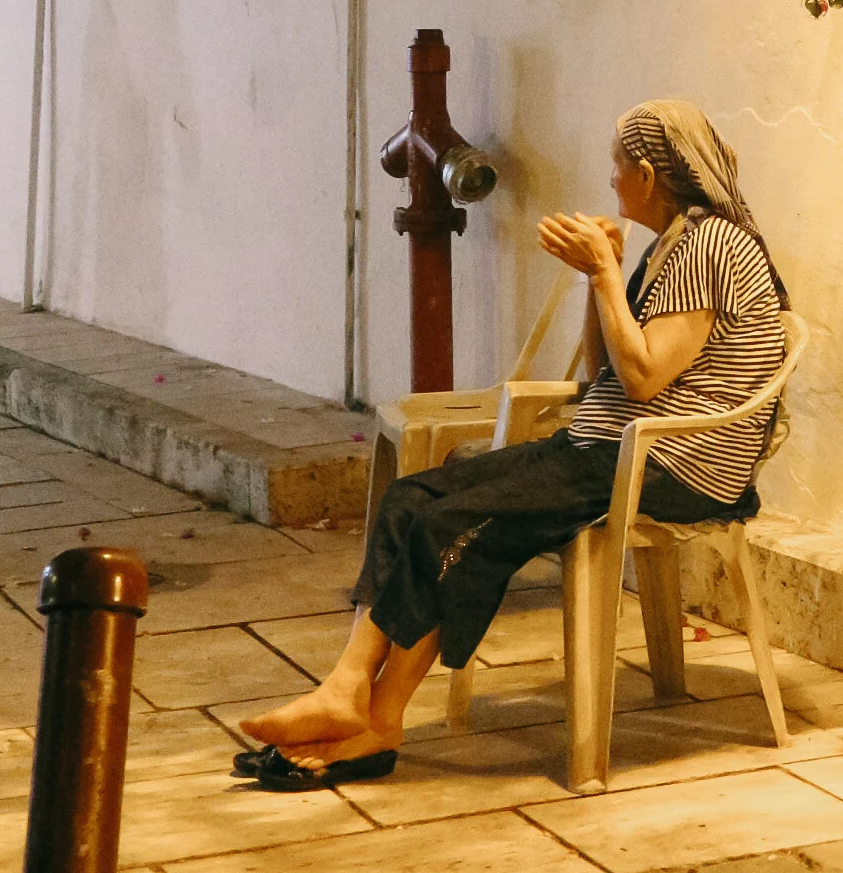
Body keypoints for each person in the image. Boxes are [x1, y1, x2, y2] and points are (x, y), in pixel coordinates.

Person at [234, 98, 788, 790]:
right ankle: (354, 695)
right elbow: (605, 371)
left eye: (617, 169)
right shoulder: (677, 240)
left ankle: (372, 715)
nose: (611, 182)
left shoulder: (714, 244)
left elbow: (644, 379)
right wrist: (601, 279)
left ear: (647, 174)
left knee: (451, 522)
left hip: (669, 463)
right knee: (414, 498)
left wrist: (610, 275)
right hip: (611, 447)